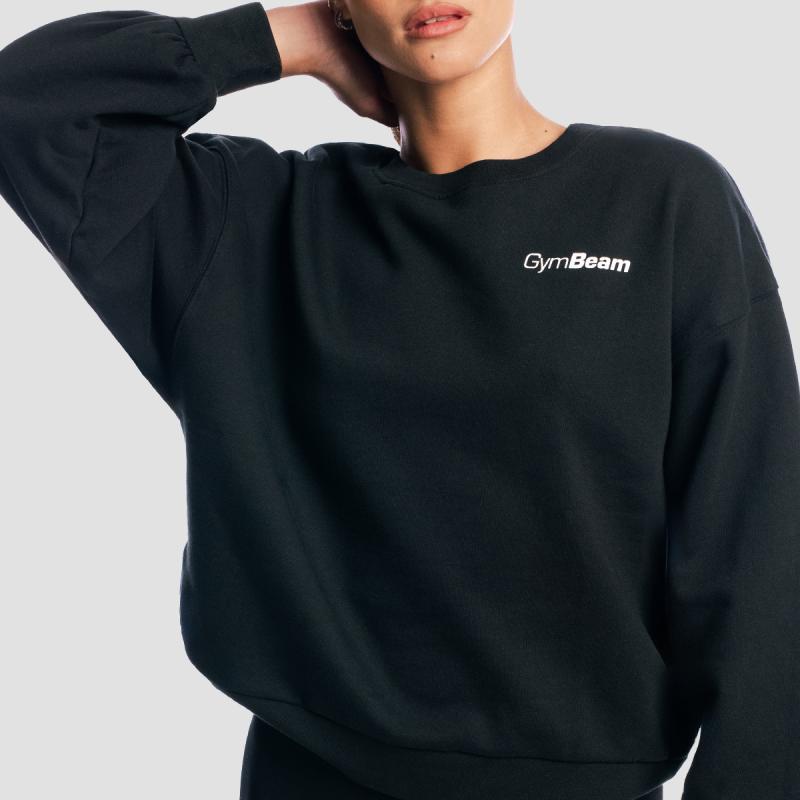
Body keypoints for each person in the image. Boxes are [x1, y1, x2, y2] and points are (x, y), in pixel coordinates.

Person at [0, 2, 797, 798]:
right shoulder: (253, 223)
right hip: (312, 777)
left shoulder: (661, 200)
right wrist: (294, 37)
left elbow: (757, 542)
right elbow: (27, 103)